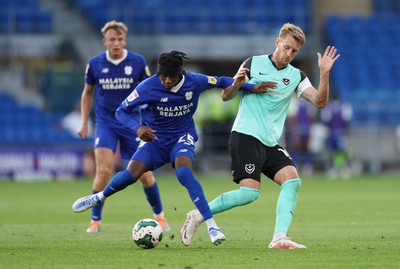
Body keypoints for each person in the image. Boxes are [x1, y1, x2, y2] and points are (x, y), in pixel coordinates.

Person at [72, 50, 275, 245]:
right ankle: (100, 197)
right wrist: (138, 127)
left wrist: (250, 87)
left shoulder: (195, 81)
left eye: (172, 77)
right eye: (163, 76)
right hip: (156, 140)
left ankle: (212, 227)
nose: (167, 80)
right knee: (130, 175)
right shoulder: (147, 86)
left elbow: (222, 81)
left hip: (182, 137)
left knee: (184, 173)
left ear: (181, 74)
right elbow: (121, 111)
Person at [180, 23, 340, 249]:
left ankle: (279, 237)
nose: (288, 54)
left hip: (270, 141)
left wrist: (324, 74)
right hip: (245, 134)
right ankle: (198, 215)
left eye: (294, 51)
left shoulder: (296, 76)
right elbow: (226, 96)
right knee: (249, 194)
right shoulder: (253, 63)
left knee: (292, 181)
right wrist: (238, 84)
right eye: (286, 47)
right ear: (277, 42)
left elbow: (320, 102)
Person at [76, 20, 169, 233]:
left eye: (119, 39)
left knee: (144, 174)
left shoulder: (137, 62)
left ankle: (160, 216)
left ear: (124, 40)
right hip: (106, 123)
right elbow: (87, 92)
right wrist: (83, 122)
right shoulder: (95, 63)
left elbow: (150, 90)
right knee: (104, 170)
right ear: (104, 42)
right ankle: (95, 221)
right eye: (112, 39)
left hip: (132, 124)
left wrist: (151, 118)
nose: (116, 43)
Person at [321, 91, 353, 178]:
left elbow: (326, 120)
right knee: (343, 150)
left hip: (331, 132)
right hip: (341, 132)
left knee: (332, 150)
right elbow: (347, 120)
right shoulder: (345, 106)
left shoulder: (328, 108)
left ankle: (332, 168)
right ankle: (346, 168)